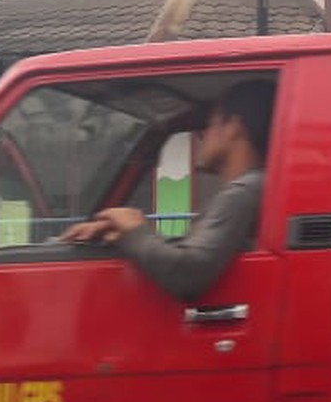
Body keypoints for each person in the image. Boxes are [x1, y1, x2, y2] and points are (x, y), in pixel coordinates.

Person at [63, 79, 275, 301]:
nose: (202, 137)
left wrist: (134, 227)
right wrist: (123, 234)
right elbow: (197, 252)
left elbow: (188, 272)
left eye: (211, 125)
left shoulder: (244, 192)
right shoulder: (257, 186)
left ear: (233, 127)